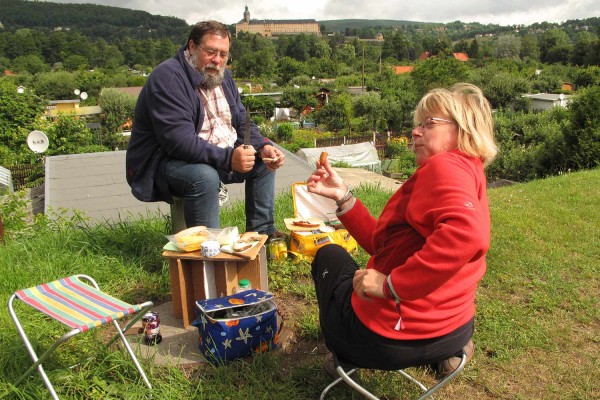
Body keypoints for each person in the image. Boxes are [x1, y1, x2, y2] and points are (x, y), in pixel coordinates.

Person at [307, 83, 497, 376]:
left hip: (387, 340)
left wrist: (391, 286)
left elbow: (467, 234)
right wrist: (342, 196)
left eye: (429, 123)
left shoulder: (444, 167)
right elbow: (384, 245)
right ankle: (447, 357)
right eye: (417, 124)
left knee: (329, 255)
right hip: (453, 331)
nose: (416, 131)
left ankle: (347, 355)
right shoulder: (471, 170)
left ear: (462, 130)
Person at [126, 20, 285, 237]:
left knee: (264, 162)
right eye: (210, 52)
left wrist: (263, 146)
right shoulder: (168, 78)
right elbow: (179, 143)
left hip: (213, 153)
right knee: (204, 176)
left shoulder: (223, 76)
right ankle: (211, 249)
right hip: (162, 162)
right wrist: (229, 159)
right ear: (191, 46)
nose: (217, 61)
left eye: (223, 54)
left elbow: (241, 119)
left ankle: (262, 233)